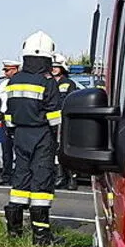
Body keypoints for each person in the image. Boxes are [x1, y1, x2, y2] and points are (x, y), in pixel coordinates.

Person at [3, 31, 64, 247]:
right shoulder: (47, 83)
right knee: (41, 182)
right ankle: (41, 237)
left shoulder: (14, 81)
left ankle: (14, 233)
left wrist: (16, 132)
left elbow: (8, 115)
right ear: (47, 58)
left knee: (20, 179)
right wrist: (59, 142)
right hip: (42, 136)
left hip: (19, 135)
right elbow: (55, 119)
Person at [51, 54, 79, 191]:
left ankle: (72, 178)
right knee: (56, 150)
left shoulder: (68, 83)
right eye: (53, 66)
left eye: (57, 66)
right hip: (52, 122)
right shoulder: (49, 83)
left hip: (65, 122)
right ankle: (60, 177)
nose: (54, 69)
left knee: (66, 150)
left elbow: (71, 102)